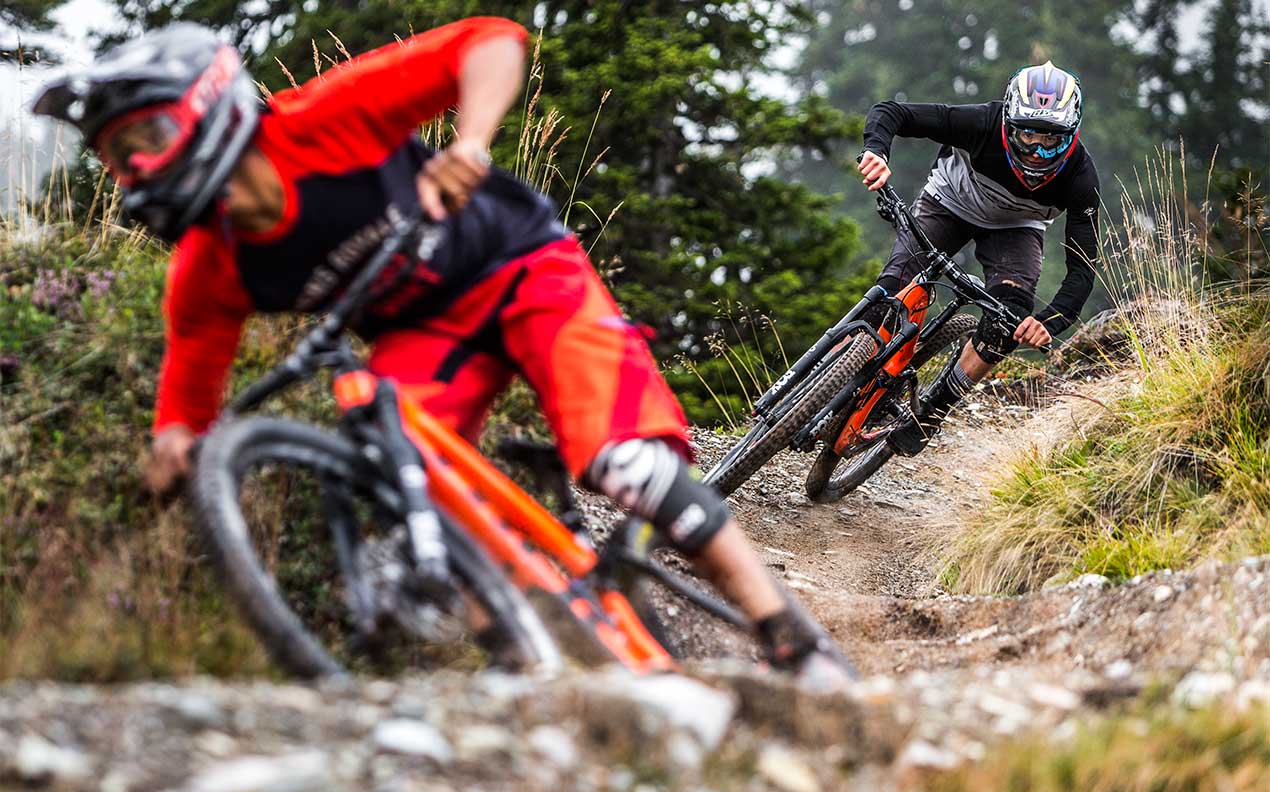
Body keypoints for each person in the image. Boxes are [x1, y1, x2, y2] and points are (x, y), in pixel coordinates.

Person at [33, 18, 852, 682]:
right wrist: (172, 452)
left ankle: (788, 634)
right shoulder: (207, 269)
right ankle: (519, 654)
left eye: (147, 135)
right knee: (403, 490)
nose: (133, 168)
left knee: (621, 463)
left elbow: (489, 39)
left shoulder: (320, 120)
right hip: (425, 331)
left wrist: (472, 143)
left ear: (210, 107)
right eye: (115, 154)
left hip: (525, 267)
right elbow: (187, 400)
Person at [856, 62, 1100, 454]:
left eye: (1051, 140)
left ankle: (932, 411)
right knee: (891, 291)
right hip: (949, 202)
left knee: (1005, 322)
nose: (1038, 152)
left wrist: (1047, 322)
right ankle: (831, 375)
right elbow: (892, 112)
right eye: (1027, 135)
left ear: (1071, 135)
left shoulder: (1080, 177)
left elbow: (1083, 269)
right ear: (1007, 121)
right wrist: (876, 152)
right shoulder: (981, 122)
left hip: (1017, 228)